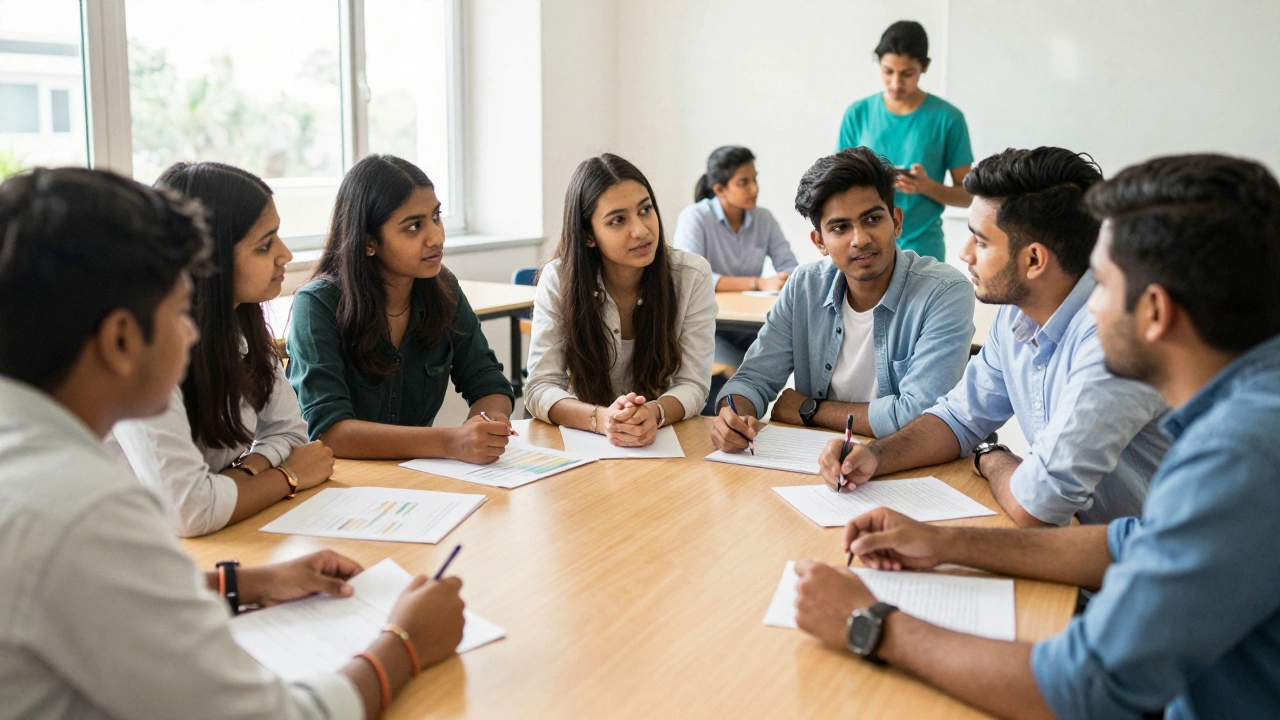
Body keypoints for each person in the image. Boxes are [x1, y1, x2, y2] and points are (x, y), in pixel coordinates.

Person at [798, 153, 1280, 719]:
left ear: (1154, 311)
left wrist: (870, 625)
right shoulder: (1243, 407)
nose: (1092, 302)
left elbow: (1084, 687)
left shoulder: (1241, 454)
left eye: (1105, 282)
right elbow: (1130, 543)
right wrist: (945, 543)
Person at [0, 167, 466, 720]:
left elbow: (96, 594)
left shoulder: (31, 458)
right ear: (122, 339)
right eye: (178, 312)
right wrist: (405, 641)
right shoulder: (85, 509)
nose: (193, 331)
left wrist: (244, 581)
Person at [819, 147, 1168, 528]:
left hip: (1149, 569)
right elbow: (957, 419)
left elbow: (1038, 506)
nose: (964, 253)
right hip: (1080, 545)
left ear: (1034, 260)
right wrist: (876, 457)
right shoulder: (1017, 314)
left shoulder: (1112, 342)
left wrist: (991, 455)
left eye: (980, 241)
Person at [107, 162, 333, 538]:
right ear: (208, 262)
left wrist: (244, 475)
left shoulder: (242, 323)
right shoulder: (144, 353)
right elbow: (189, 512)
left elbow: (291, 434)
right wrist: (287, 476)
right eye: (265, 245)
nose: (286, 255)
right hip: (126, 544)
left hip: (207, 536)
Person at [711, 147, 973, 448]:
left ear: (897, 221)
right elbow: (753, 379)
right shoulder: (805, 286)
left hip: (906, 465)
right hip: (814, 466)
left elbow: (920, 417)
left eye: (873, 219)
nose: (860, 239)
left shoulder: (944, 292)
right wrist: (731, 416)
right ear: (819, 241)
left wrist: (810, 410)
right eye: (840, 228)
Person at [287, 154, 515, 462]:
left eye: (436, 217)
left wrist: (489, 423)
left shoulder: (442, 288)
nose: (436, 237)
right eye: (413, 227)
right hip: (339, 484)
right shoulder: (317, 304)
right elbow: (331, 432)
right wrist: (451, 442)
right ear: (369, 242)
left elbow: (487, 380)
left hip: (417, 477)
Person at [525, 153, 716, 447]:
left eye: (645, 209)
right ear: (589, 235)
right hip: (583, 441)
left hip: (660, 442)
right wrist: (602, 419)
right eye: (617, 220)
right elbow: (539, 387)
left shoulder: (691, 275)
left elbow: (693, 384)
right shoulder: (559, 280)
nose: (641, 230)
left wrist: (655, 413)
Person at [836, 20, 974, 261]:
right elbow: (837, 184)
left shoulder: (948, 118)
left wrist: (927, 186)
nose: (896, 83)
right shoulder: (857, 114)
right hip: (864, 248)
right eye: (888, 71)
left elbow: (967, 195)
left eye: (907, 73)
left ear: (925, 67)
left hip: (923, 250)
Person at [674, 145, 799, 368]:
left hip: (750, 324)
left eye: (755, 179)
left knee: (791, 349)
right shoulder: (695, 217)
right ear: (720, 189)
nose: (754, 189)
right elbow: (691, 277)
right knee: (736, 376)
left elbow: (789, 265)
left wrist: (785, 277)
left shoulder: (763, 219)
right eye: (744, 183)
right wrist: (759, 283)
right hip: (707, 326)